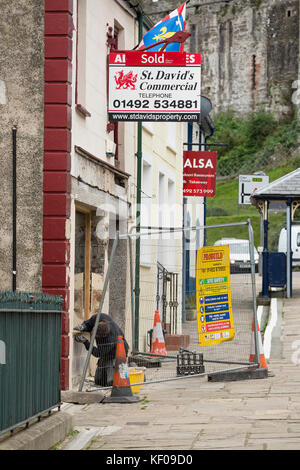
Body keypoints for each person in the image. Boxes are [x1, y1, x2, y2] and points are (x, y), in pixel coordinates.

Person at [74, 313, 129, 387]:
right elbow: (90, 322)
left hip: (118, 355)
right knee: (99, 381)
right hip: (106, 352)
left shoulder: (110, 339)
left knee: (111, 382)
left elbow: (98, 353)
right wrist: (83, 326)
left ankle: (119, 380)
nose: (97, 337)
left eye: (98, 336)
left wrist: (85, 342)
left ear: (104, 335)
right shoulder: (100, 317)